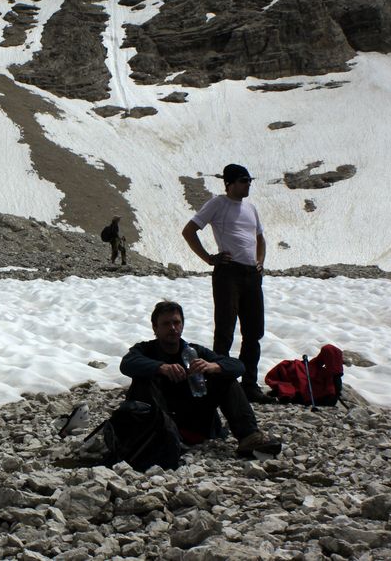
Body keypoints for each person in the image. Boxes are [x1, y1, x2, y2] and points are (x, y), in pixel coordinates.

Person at [120, 300, 281, 457]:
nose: (173, 328)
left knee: (226, 378)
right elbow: (127, 364)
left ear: (182, 325)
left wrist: (214, 367)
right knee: (142, 379)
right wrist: (160, 367)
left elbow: (237, 366)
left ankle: (249, 436)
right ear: (155, 328)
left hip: (196, 419)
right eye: (166, 324)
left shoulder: (193, 351)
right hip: (159, 421)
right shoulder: (145, 350)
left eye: (176, 322)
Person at [181, 163, 273, 404]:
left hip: (251, 274)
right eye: (243, 180)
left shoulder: (251, 208)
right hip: (228, 273)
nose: (248, 184)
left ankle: (249, 384)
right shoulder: (217, 204)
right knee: (225, 329)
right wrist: (209, 258)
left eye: (249, 180)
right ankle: (220, 382)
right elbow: (189, 230)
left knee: (253, 331)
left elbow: (260, 238)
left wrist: (260, 261)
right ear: (229, 183)